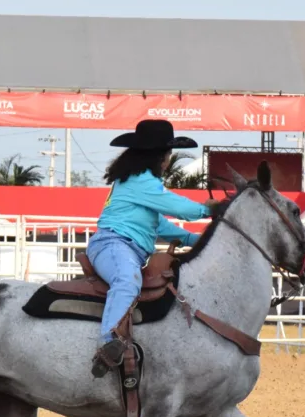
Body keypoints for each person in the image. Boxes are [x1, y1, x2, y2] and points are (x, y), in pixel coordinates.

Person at [86, 119, 220, 377]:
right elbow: (177, 207)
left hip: (117, 246)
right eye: (168, 155)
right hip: (114, 245)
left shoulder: (134, 181)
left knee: (130, 278)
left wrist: (195, 240)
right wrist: (207, 209)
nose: (168, 161)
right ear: (160, 156)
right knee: (127, 280)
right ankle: (107, 344)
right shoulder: (142, 182)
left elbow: (158, 224)